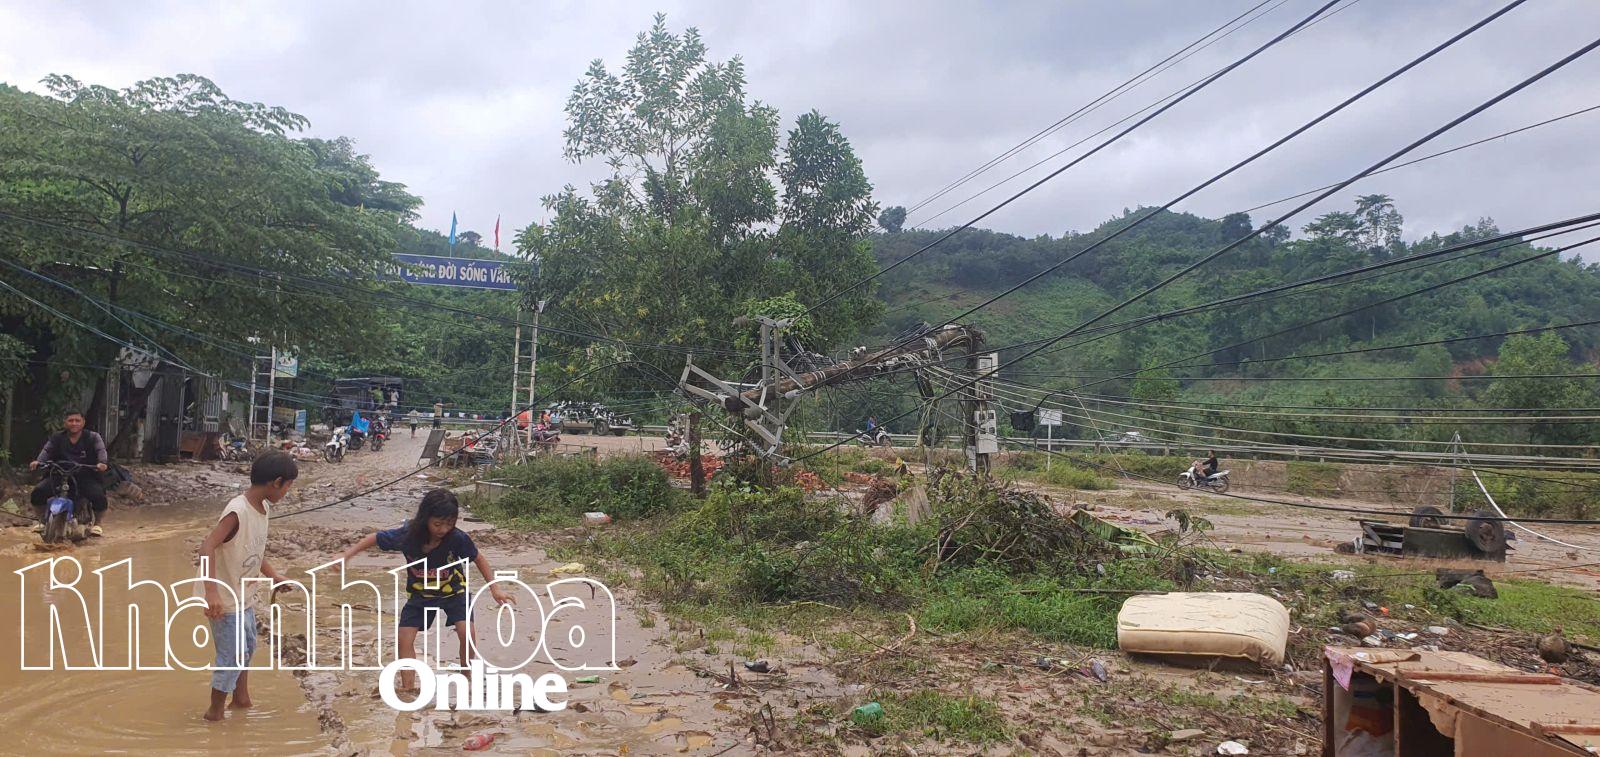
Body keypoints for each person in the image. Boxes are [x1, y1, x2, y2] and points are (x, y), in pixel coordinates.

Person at [338, 490, 513, 689]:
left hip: (453, 591)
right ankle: (408, 688)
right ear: (425, 519)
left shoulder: (457, 538)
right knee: (404, 637)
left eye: (449, 524)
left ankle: (466, 674)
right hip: (420, 594)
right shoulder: (407, 535)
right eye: (437, 524)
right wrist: (347, 556)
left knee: (467, 633)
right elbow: (375, 538)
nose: (443, 529)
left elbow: (478, 558)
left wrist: (494, 589)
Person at [197, 451, 297, 721]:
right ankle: (214, 713)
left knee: (248, 646)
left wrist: (274, 576)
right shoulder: (237, 510)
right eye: (288, 486)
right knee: (231, 654)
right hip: (224, 596)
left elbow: (255, 549)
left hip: (244, 594)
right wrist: (211, 592)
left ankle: (241, 699)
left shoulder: (264, 509)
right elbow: (207, 546)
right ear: (276, 482)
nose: (288, 491)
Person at [30, 409, 110, 536]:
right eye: (70, 420)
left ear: (83, 422)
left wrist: (102, 463)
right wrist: (38, 462)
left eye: (77, 420)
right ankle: (42, 521)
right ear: (65, 423)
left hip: (85, 474)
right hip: (59, 473)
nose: (74, 423)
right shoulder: (57, 437)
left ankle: (98, 524)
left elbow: (101, 450)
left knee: (98, 495)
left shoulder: (93, 437)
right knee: (38, 492)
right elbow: (47, 451)